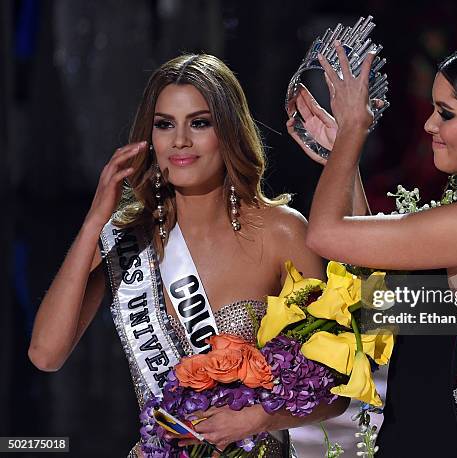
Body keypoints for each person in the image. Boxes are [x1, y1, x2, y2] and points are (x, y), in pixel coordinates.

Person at [28, 53, 350, 457]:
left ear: (229, 130)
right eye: (165, 125)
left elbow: (337, 388)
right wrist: (95, 220)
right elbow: (45, 354)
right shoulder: (127, 242)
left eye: (199, 123)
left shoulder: (282, 232)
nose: (180, 140)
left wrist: (261, 418)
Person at [287, 41, 457, 457]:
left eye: (447, 113)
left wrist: (352, 132)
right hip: (415, 441)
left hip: (442, 443)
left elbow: (323, 236)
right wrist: (339, 157)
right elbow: (366, 263)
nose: (429, 126)